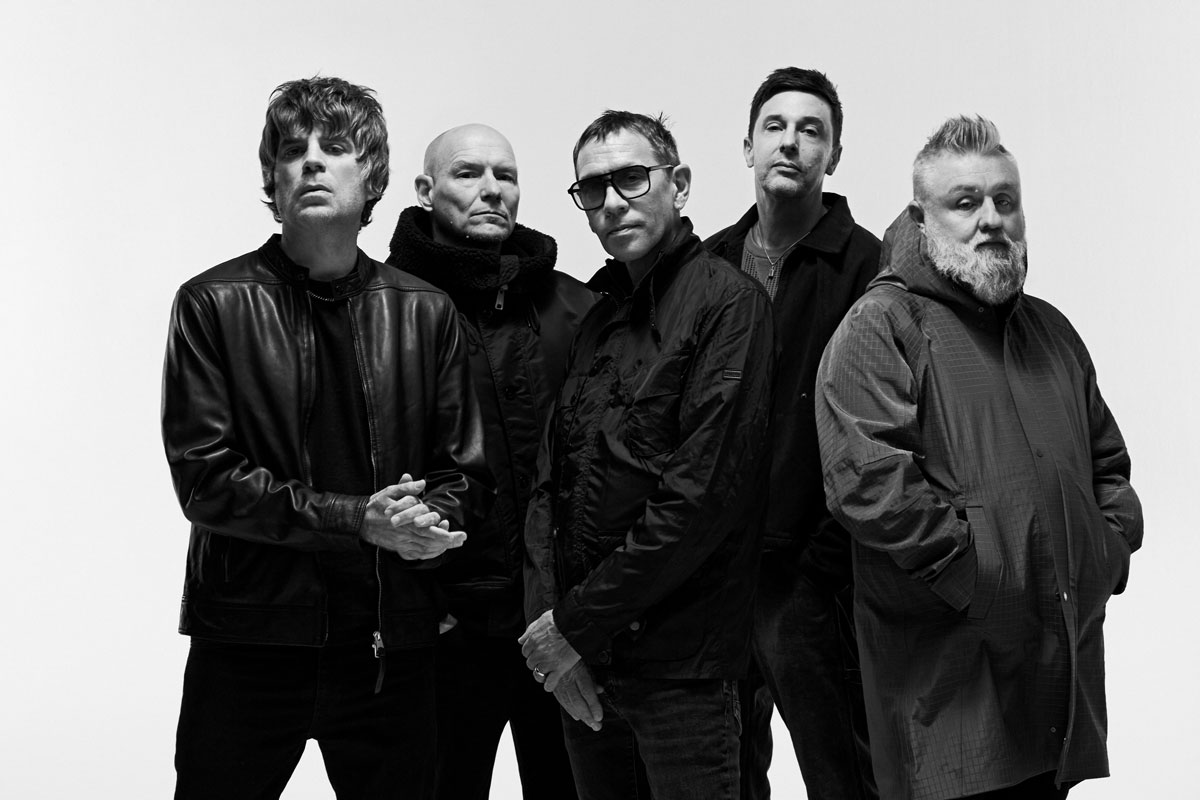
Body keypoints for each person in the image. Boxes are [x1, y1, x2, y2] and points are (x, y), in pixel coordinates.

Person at [161, 76, 491, 799]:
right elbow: (206, 480)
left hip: (390, 647)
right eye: (291, 150)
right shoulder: (212, 303)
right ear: (273, 181)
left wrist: (429, 525)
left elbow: (465, 474)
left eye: (335, 146)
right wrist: (358, 519)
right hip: (249, 641)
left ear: (372, 176)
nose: (310, 160)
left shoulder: (426, 311)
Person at [815, 115, 1143, 800]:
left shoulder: (1051, 331)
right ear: (921, 219)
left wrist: (1104, 555)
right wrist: (986, 584)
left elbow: (1109, 467)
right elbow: (870, 487)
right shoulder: (880, 326)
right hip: (947, 701)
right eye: (964, 202)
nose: (990, 218)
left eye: (1005, 200)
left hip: (1058, 688)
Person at [520, 110, 775, 800]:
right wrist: (551, 634)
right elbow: (550, 485)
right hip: (586, 666)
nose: (611, 202)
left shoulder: (730, 304)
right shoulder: (597, 317)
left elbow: (700, 498)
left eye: (631, 178)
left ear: (679, 184)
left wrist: (570, 625)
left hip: (684, 672)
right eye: (591, 188)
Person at [385, 123, 594, 800]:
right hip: (444, 630)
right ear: (426, 189)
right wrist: (415, 604)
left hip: (556, 624)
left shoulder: (575, 305)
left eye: (505, 175)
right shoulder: (384, 307)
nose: (492, 189)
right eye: (469, 173)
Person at [704, 67, 879, 800]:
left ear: (833, 155)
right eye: (775, 126)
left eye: (812, 130)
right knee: (723, 777)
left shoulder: (870, 265)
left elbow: (888, 429)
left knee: (843, 776)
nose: (791, 142)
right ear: (747, 146)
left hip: (811, 573)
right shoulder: (708, 263)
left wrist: (824, 562)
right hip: (714, 572)